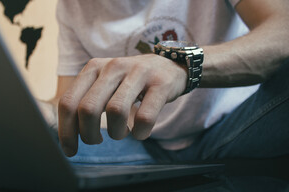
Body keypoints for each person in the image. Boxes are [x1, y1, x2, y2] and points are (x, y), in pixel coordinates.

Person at [42, 0, 289, 166]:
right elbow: (66, 101)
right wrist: (39, 114)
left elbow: (283, 30)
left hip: (237, 128)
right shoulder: (70, 5)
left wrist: (183, 66)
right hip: (146, 145)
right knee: (37, 152)